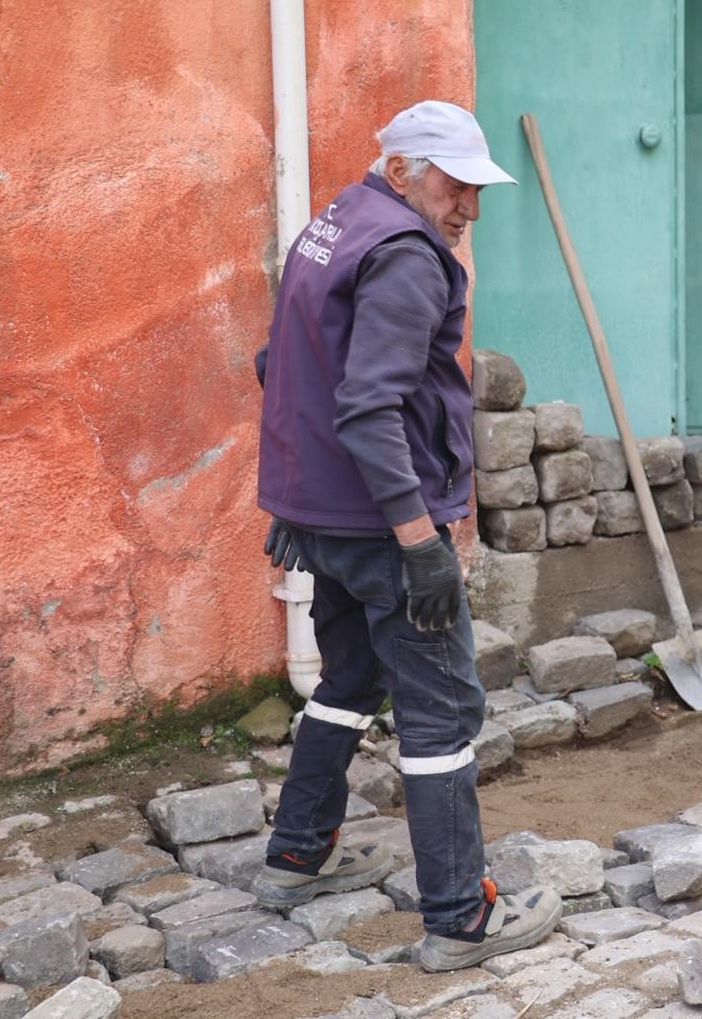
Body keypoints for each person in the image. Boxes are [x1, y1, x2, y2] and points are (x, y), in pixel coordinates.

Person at [253, 101, 561, 971]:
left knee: (349, 673)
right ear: (402, 171)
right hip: (384, 521)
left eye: (477, 191)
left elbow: (282, 365)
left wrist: (292, 501)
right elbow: (367, 405)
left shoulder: (336, 225)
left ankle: (297, 853)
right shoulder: (407, 258)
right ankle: (461, 915)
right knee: (442, 712)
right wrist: (422, 541)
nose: (469, 207)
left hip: (327, 515)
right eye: (456, 185)